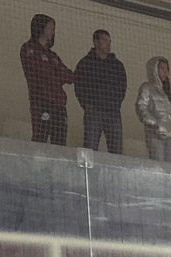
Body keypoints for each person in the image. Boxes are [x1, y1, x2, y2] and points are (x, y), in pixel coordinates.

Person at [20, 14, 74, 145]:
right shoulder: (28, 49)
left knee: (60, 143)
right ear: (41, 28)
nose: (53, 32)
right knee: (40, 139)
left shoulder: (53, 56)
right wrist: (56, 74)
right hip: (41, 102)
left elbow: (68, 75)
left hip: (59, 105)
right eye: (51, 28)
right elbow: (39, 75)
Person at [74, 29, 128, 154]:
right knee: (90, 148)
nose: (108, 44)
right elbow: (79, 86)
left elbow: (122, 87)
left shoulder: (117, 66)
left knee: (117, 150)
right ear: (96, 42)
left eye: (109, 41)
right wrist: (88, 104)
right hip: (94, 110)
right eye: (104, 40)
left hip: (113, 111)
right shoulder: (85, 63)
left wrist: (115, 104)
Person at [135, 55, 171, 162]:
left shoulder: (170, 92)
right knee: (158, 164)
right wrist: (156, 124)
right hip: (155, 135)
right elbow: (141, 109)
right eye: (162, 68)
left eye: (166, 69)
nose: (165, 72)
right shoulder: (147, 88)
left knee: (170, 166)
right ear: (154, 69)